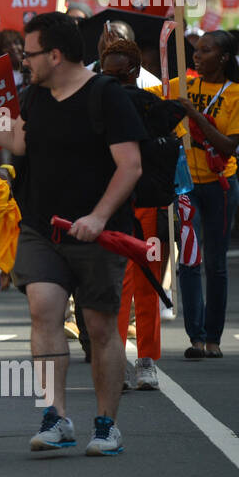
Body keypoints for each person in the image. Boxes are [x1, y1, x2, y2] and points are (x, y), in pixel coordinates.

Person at [0, 12, 144, 456]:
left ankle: (106, 425)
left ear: (55, 55)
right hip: (43, 228)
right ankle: (56, 416)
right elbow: (19, 141)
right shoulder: (36, 97)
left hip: (99, 233)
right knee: (43, 309)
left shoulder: (107, 97)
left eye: (31, 53)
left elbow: (130, 166)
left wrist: (98, 216)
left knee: (99, 327)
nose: (24, 61)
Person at [173, 29, 239, 359]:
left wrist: (193, 115)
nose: (196, 54)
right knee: (189, 260)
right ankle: (195, 336)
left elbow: (229, 146)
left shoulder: (238, 95)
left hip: (220, 186)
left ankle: (213, 337)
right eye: (195, 49)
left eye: (205, 50)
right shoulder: (182, 86)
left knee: (215, 263)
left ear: (223, 57)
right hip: (186, 185)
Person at [98, 40, 164, 390]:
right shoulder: (95, 105)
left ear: (134, 71)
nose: (112, 79)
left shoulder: (152, 103)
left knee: (148, 282)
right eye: (107, 72)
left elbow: (170, 150)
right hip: (111, 205)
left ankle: (147, 359)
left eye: (119, 72)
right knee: (116, 286)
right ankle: (117, 360)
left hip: (148, 203)